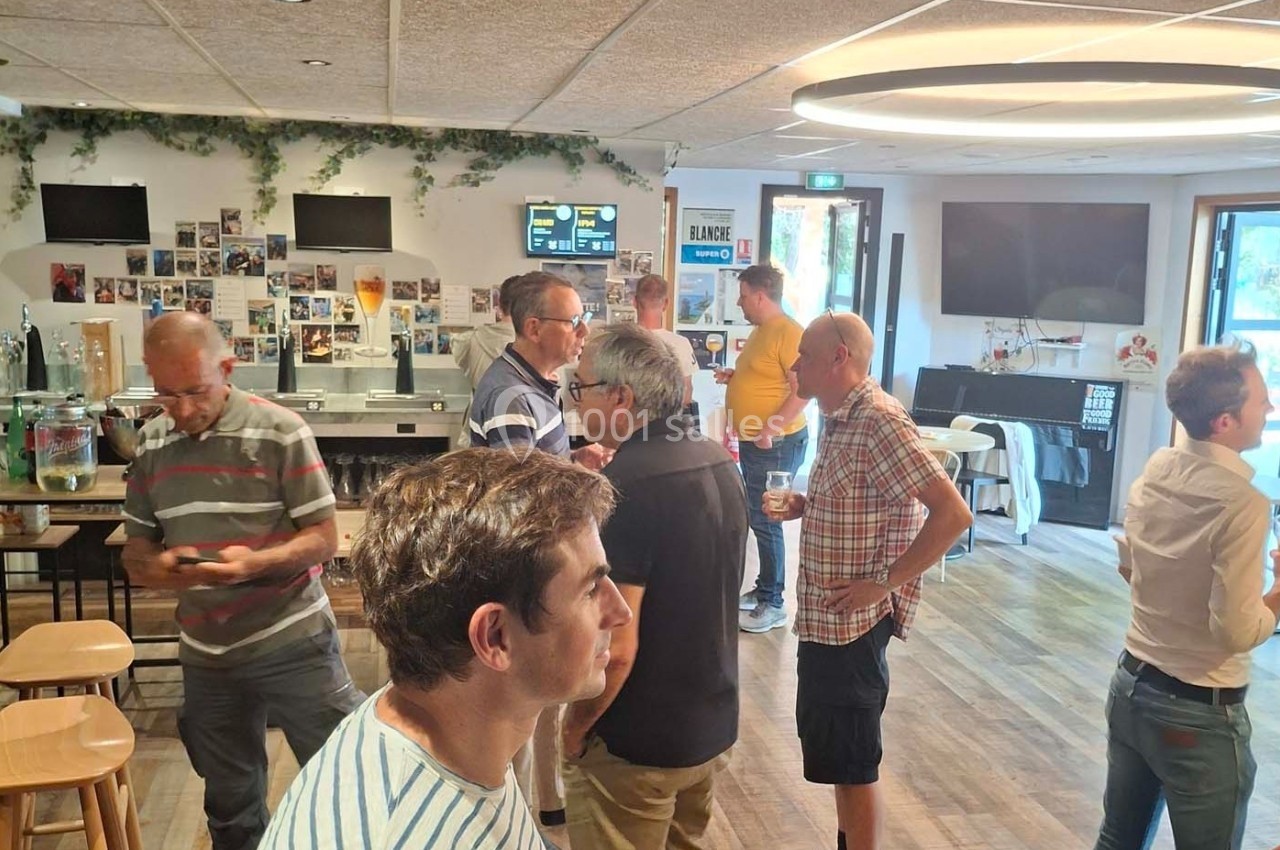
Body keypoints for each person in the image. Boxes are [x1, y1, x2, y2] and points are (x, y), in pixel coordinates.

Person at [260, 449, 631, 849]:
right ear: (495, 637)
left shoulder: (448, 735)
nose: (620, 612)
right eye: (591, 589)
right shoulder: (405, 831)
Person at [122, 312, 364, 850]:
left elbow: (325, 538)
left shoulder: (280, 431)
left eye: (196, 391)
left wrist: (252, 565)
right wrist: (154, 570)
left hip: (293, 641)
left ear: (227, 369)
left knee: (346, 778)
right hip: (206, 654)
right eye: (166, 395)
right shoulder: (151, 445)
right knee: (230, 805)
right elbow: (136, 553)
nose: (182, 410)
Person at [770, 311, 971, 850]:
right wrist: (805, 505)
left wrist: (885, 582)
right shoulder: (837, 416)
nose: (795, 366)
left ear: (840, 358)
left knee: (854, 763)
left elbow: (953, 515)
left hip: (853, 626)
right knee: (837, 757)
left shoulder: (880, 419)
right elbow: (863, 500)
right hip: (825, 619)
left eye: (805, 356)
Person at [562, 323, 748, 847]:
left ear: (621, 396)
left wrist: (575, 728)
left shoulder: (628, 487)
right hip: (710, 720)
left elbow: (619, 645)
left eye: (581, 388)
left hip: (639, 739)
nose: (575, 404)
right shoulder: (717, 459)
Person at [1094, 344, 1280, 850]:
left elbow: (1131, 565)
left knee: (1118, 838)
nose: (1270, 408)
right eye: (1262, 400)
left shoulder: (1158, 466)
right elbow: (1237, 632)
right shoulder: (1243, 503)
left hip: (1132, 685)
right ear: (1224, 421)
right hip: (1199, 714)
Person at [468, 270, 605, 834]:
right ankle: (513, 826)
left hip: (547, 573)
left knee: (546, 699)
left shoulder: (537, 388)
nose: (583, 331)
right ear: (532, 326)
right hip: (525, 577)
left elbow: (535, 472)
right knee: (522, 707)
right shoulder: (509, 396)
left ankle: (543, 811)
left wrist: (573, 460)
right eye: (572, 320)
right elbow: (523, 505)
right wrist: (580, 477)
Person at [715, 264, 809, 632]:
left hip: (776, 443)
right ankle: (764, 588)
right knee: (758, 515)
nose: (739, 303)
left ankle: (774, 602)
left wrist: (772, 426)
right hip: (759, 441)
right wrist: (735, 378)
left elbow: (803, 389)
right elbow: (767, 378)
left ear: (759, 295)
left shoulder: (788, 332)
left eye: (742, 296)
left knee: (768, 518)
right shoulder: (763, 332)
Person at [453, 274, 519, 445]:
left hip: (477, 428)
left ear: (499, 306)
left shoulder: (471, 339)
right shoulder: (535, 343)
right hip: (519, 431)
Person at [632, 273, 697, 407]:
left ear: (634, 302)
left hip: (629, 421)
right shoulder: (681, 344)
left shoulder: (620, 343)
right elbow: (686, 393)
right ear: (666, 303)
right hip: (667, 423)